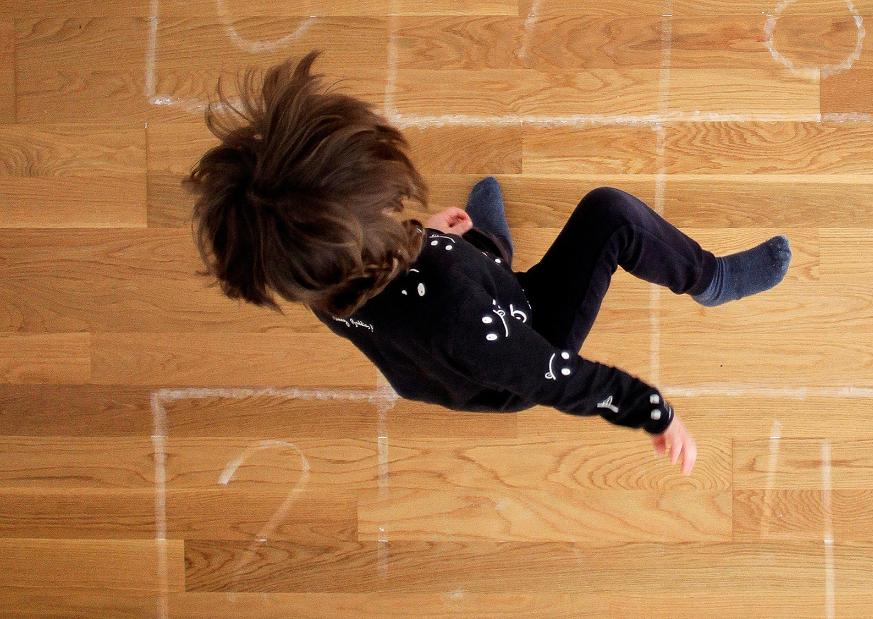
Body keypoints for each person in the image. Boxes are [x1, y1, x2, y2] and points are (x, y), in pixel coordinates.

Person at [184, 50, 791, 477]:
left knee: (479, 254)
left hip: (462, 325)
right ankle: (710, 281)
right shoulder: (457, 313)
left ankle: (490, 246)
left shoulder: (318, 279)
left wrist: (431, 238)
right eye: (389, 209)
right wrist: (651, 410)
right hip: (514, 336)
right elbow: (557, 377)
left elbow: (416, 280)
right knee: (612, 216)